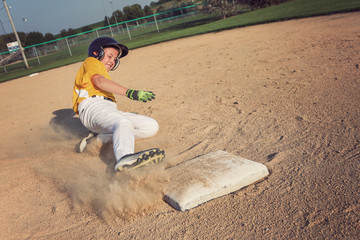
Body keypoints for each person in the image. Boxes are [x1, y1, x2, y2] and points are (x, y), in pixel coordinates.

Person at [72, 37, 164, 172]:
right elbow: (99, 82)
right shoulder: (91, 61)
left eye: (115, 59)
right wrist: (130, 92)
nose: (112, 61)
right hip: (92, 106)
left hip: (105, 110)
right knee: (122, 121)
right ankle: (125, 159)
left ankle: (98, 139)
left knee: (150, 126)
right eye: (110, 56)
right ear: (97, 53)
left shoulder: (100, 70)